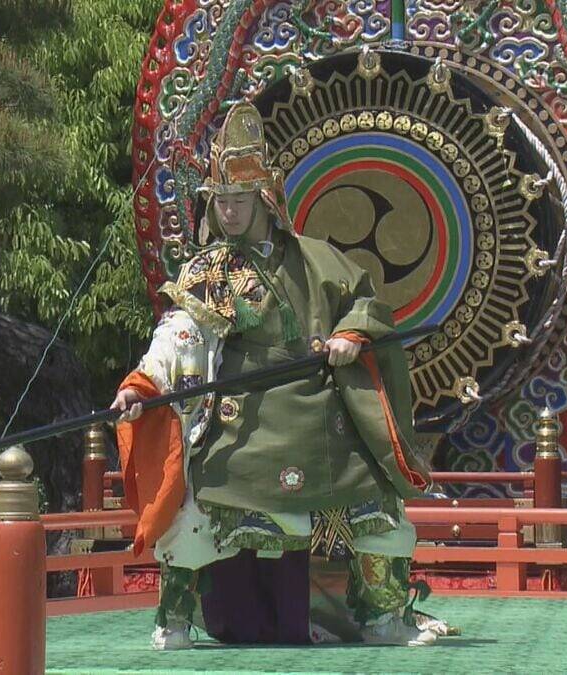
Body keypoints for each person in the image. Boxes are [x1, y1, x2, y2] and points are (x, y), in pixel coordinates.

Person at [111, 103, 450, 650]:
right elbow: (180, 333)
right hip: (244, 419)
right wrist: (142, 385)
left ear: (266, 199)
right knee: (199, 509)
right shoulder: (212, 269)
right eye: (221, 203)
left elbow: (367, 306)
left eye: (239, 201)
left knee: (375, 498)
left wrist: (351, 336)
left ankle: (381, 616)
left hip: (321, 416)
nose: (229, 214)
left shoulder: (318, 260)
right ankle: (173, 617)